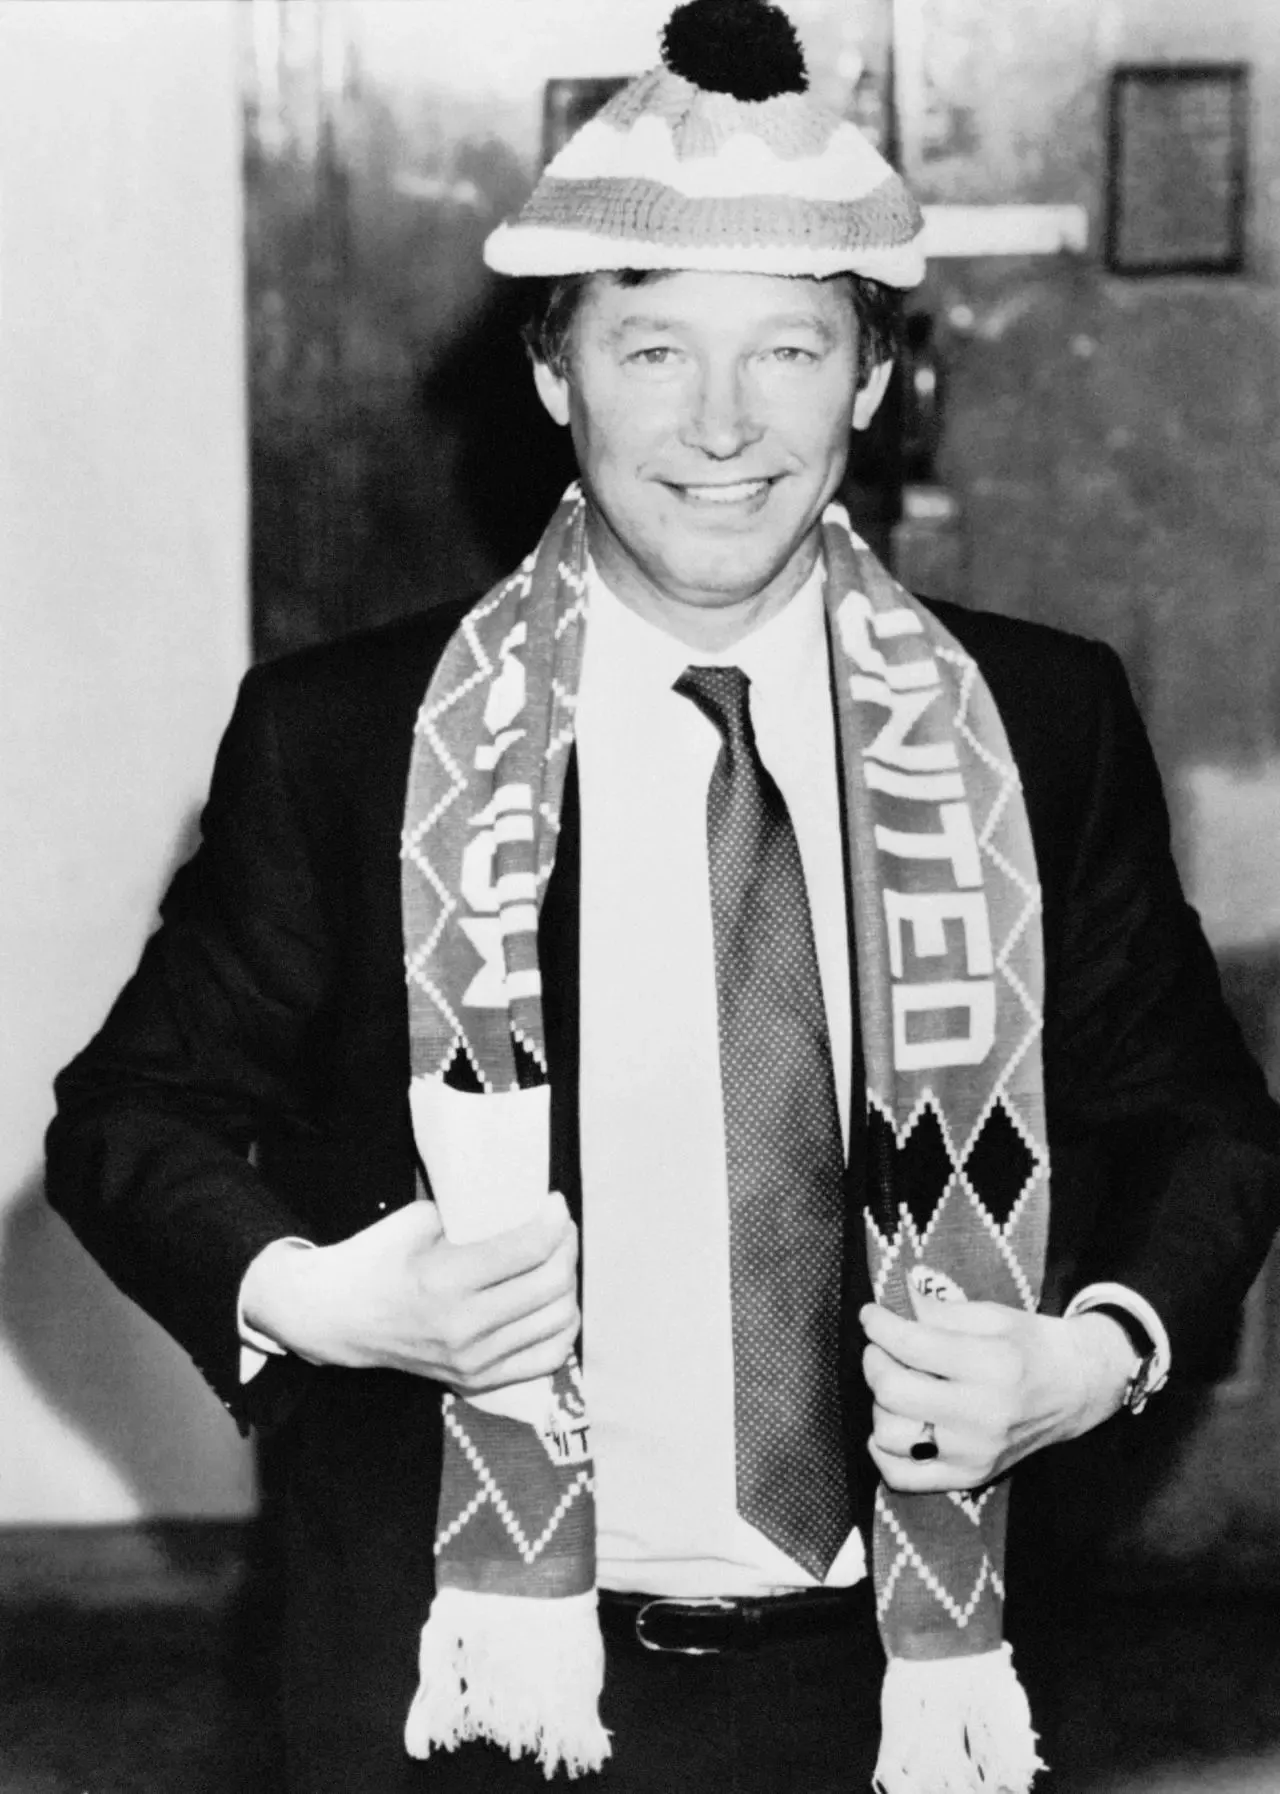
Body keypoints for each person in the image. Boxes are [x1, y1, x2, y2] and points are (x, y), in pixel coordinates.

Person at [45, 4, 1280, 1792]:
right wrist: (321, 1295)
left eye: (789, 349)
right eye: (650, 351)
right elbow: (123, 1121)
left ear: (873, 378)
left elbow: (1209, 1129)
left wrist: (1093, 1358)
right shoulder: (353, 739)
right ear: (555, 373)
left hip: (907, 1680)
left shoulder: (1038, 722)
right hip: (477, 1680)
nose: (722, 424)